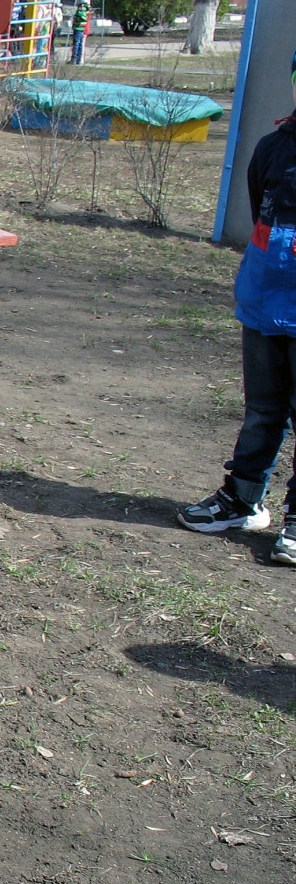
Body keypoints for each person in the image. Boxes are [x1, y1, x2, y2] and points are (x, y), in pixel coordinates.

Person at [177, 50, 296, 564]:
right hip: (266, 302)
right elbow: (258, 217)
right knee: (263, 410)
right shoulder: (274, 148)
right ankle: (244, 498)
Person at [71, 0, 92, 65]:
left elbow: (82, 17)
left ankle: (74, 59)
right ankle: (78, 59)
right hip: (81, 28)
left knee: (76, 43)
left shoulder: (82, 7)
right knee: (79, 43)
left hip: (79, 28)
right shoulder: (84, 7)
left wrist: (76, 20)